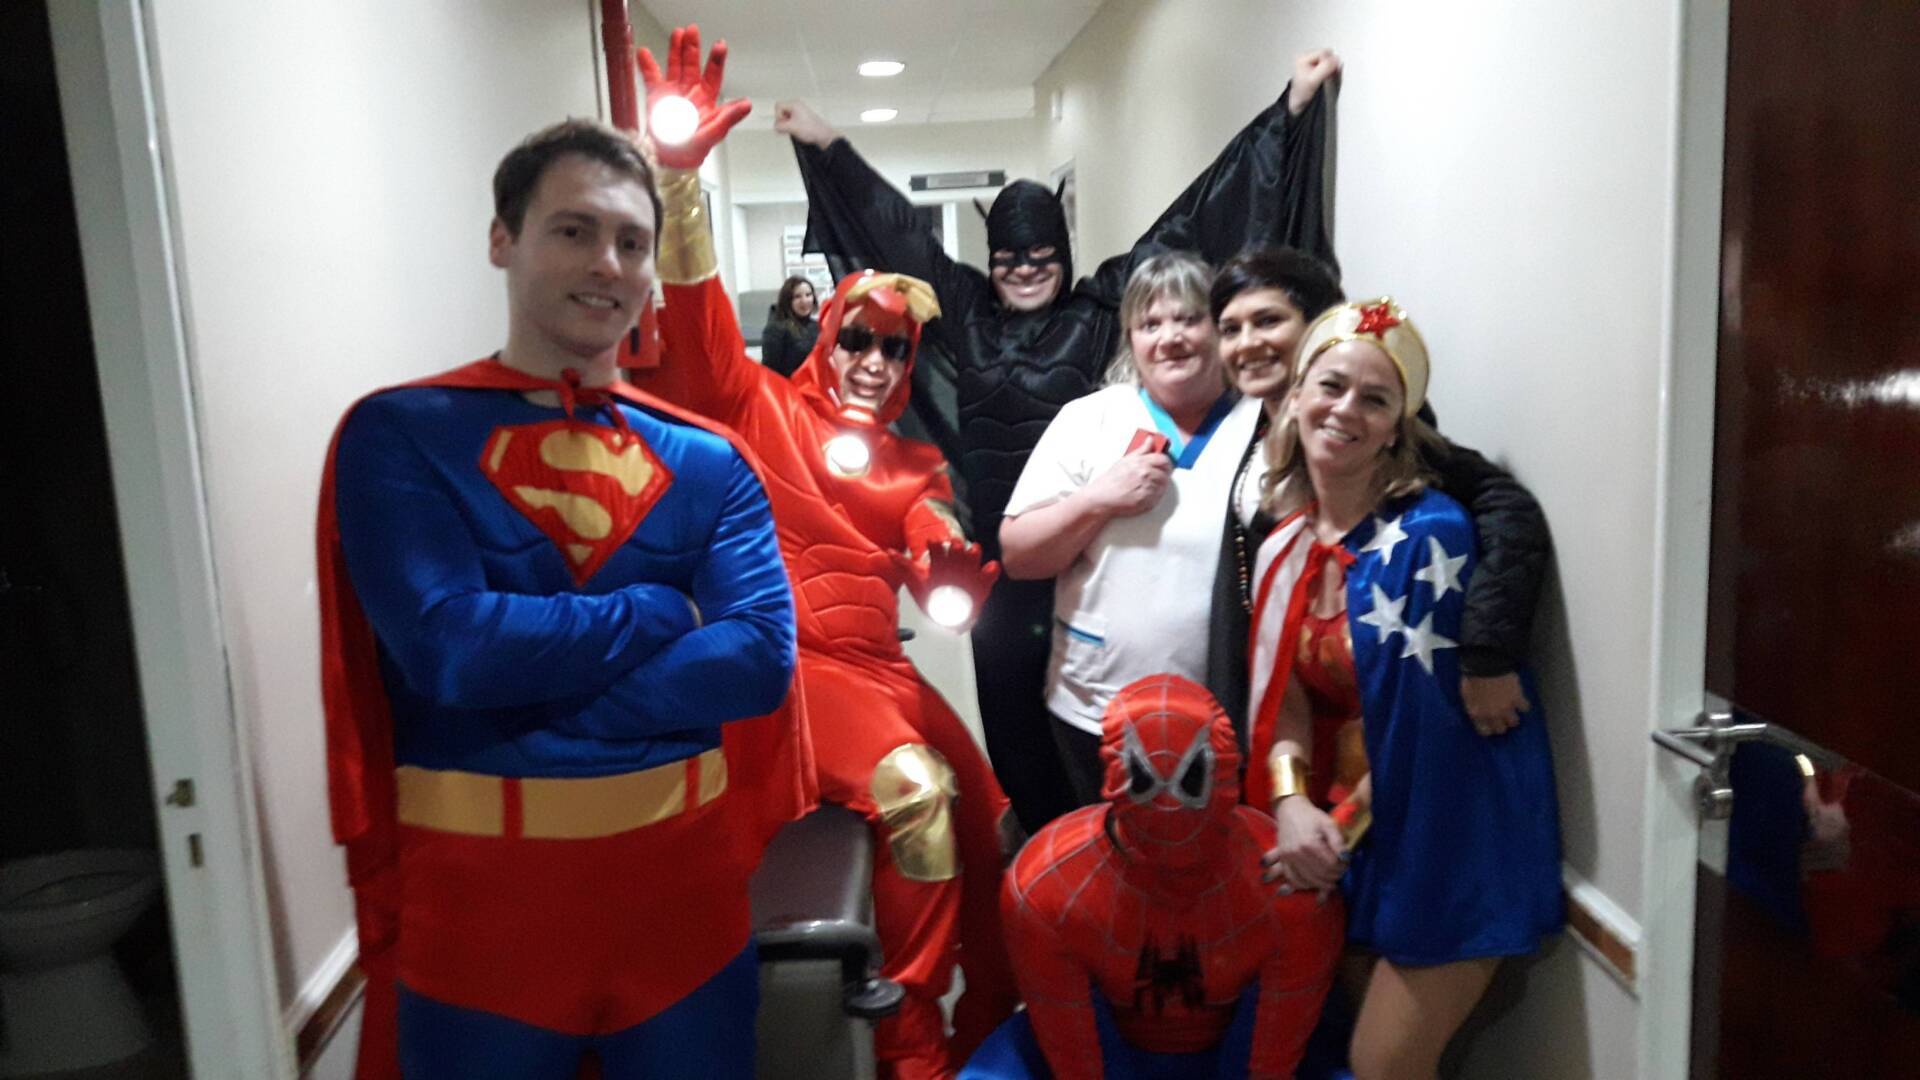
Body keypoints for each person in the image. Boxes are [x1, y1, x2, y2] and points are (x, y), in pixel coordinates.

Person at [317, 117, 812, 1079]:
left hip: (685, 909)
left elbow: (758, 662)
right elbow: (452, 650)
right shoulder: (400, 434)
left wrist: (528, 701)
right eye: (574, 230)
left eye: (632, 241)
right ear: (503, 239)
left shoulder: (710, 461)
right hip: (483, 918)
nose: (608, 264)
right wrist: (664, 614)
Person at [774, 47, 1342, 834]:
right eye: (1009, 259)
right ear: (991, 262)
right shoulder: (965, 309)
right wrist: (827, 144)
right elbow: (897, 233)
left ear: (1063, 256)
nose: (1026, 271)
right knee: (1011, 717)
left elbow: (1198, 217)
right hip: (1003, 559)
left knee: (1100, 715)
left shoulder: (1102, 308)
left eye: (1041, 257)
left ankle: (1113, 833)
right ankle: (1045, 839)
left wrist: (1289, 111)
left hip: (1099, 555)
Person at [628, 28, 1017, 1079]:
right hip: (781, 666)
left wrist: (944, 569)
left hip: (873, 671)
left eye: (896, 347)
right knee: (914, 792)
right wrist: (678, 184)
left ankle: (936, 1020)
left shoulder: (914, 463)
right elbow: (699, 328)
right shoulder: (759, 407)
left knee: (977, 818)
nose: (874, 361)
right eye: (858, 337)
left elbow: (930, 530)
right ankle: (906, 1035)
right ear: (827, 334)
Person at [1249, 299, 1562, 1080]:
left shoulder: (1432, 537)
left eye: (1375, 398)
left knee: (1383, 1065)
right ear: (1296, 395)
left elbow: (1430, 732)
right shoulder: (1287, 543)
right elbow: (1287, 697)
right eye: (1330, 386)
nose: (1345, 410)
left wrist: (1331, 831)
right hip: (1361, 840)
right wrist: (1290, 803)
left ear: (1398, 427)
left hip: (1449, 840)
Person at [1205, 248, 1552, 770]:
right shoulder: (1245, 432)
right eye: (1230, 329)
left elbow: (1507, 510)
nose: (1248, 343)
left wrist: (1488, 654)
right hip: (1288, 700)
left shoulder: (1384, 441)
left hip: (1378, 732)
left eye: (1268, 321)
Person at [966, 673, 1344, 1080]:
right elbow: (1075, 1056)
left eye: (1190, 779)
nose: (1169, 805)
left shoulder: (1288, 880)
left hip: (1233, 1043)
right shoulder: (1047, 886)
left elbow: (1269, 1061)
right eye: (1147, 781)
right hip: (1104, 1041)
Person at [1000, 252, 1261, 808]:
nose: (1170, 338)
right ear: (1131, 339)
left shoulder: (1260, 422)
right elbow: (1019, 555)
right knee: (1110, 852)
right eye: (1150, 324)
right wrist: (1098, 500)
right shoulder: (1090, 419)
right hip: (1095, 708)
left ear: (1220, 328)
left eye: (1189, 318)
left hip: (1226, 711)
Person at [759, 274, 819, 377]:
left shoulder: (816, 326)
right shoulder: (775, 329)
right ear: (787, 300)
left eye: (808, 295)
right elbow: (770, 371)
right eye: (797, 296)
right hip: (788, 385)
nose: (804, 301)